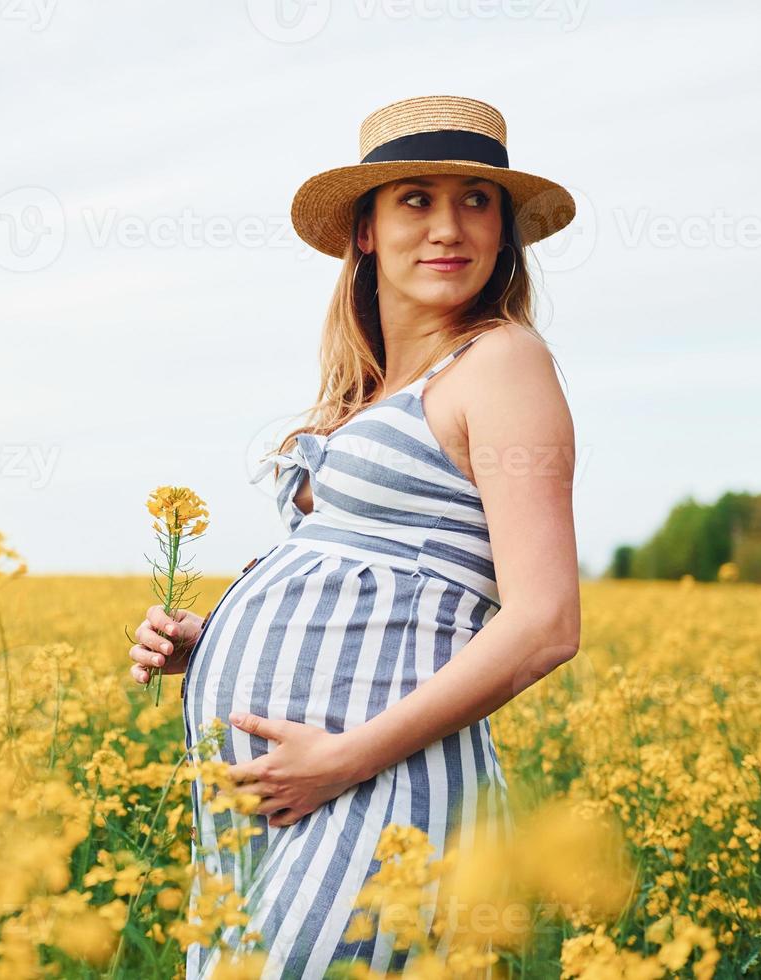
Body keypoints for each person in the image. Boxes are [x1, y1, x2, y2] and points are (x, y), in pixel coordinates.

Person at [128, 94, 582, 978]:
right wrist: (210, 639)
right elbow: (368, 583)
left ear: (503, 230)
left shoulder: (502, 362)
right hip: (277, 809)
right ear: (366, 230)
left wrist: (342, 761)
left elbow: (545, 624)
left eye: (476, 199)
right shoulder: (367, 394)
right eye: (416, 197)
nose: (449, 226)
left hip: (377, 794)